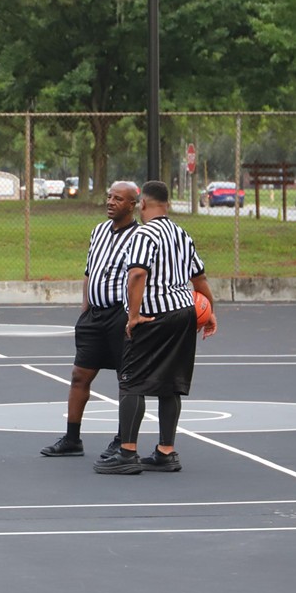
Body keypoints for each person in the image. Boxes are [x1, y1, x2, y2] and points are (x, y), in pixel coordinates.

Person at [96, 180, 217, 475]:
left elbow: (137, 274)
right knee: (170, 383)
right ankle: (166, 451)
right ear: (168, 204)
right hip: (183, 313)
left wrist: (133, 315)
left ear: (143, 204)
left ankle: (127, 452)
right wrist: (210, 311)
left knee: (132, 382)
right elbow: (199, 279)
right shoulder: (181, 234)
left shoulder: (144, 233)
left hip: (154, 316)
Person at [40, 181, 141, 459]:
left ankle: (123, 441)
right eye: (109, 197)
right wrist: (85, 307)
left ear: (132, 205)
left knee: (127, 379)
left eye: (118, 199)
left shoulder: (140, 237)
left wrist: (131, 315)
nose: (110, 202)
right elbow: (89, 271)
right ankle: (72, 439)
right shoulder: (98, 231)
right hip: (94, 316)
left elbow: (140, 278)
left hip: (119, 316)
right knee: (79, 375)